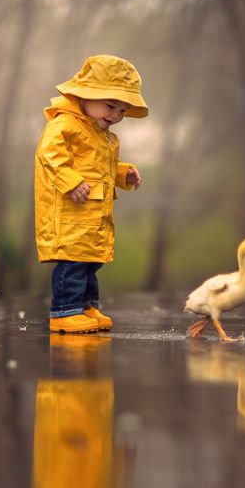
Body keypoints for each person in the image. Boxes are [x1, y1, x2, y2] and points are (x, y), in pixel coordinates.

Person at [34, 54, 149, 333]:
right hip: (70, 212)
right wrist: (71, 181)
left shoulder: (105, 135)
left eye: (122, 110)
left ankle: (86, 307)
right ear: (85, 95)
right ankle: (64, 311)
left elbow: (100, 167)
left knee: (90, 263)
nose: (115, 115)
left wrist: (122, 174)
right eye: (110, 105)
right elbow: (49, 154)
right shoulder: (65, 125)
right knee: (72, 261)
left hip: (93, 214)